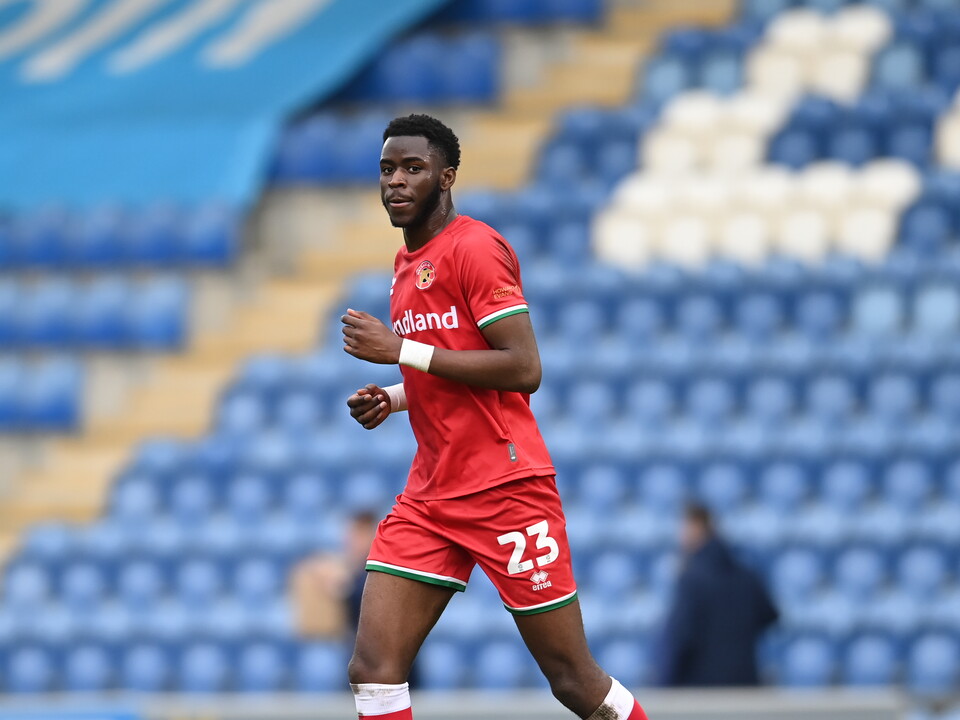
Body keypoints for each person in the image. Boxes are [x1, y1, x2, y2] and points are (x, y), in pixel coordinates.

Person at [340, 114, 648, 720]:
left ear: (446, 177)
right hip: (432, 495)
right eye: (386, 169)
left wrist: (400, 350)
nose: (395, 181)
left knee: (571, 680)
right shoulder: (407, 265)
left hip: (506, 489)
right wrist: (398, 397)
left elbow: (523, 368)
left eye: (412, 168)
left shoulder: (475, 248)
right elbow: (452, 368)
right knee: (373, 668)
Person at [657, 504, 779, 687]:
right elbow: (770, 615)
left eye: (683, 527)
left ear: (697, 527)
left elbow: (680, 637)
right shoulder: (746, 575)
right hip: (746, 685)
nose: (680, 536)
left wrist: (665, 684)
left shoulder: (692, 579)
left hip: (704, 691)